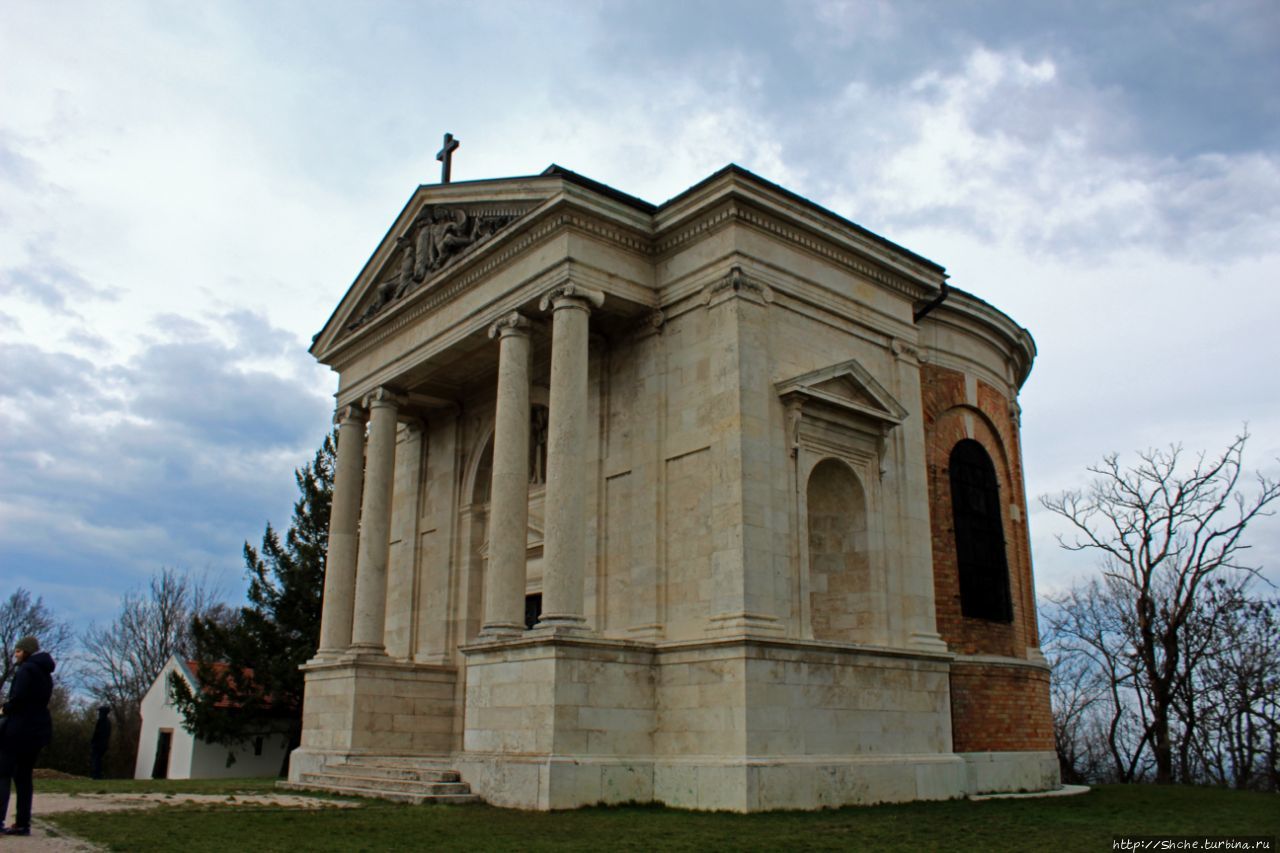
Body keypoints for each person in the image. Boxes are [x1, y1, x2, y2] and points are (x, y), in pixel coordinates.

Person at [0, 635, 56, 836]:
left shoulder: (26, 670)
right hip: (38, 730)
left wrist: (5, 709)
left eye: (18, 651)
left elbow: (18, 699)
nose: (15, 654)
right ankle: (23, 823)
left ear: (26, 652)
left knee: (3, 772)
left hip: (18, 730)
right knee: (23, 777)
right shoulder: (45, 674)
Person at [90, 706, 111, 780]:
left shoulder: (101, 721)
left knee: (96, 759)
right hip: (103, 744)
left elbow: (97, 733)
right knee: (98, 760)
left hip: (98, 744)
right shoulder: (108, 722)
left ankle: (96, 775)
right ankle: (97, 775)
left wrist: (93, 742)